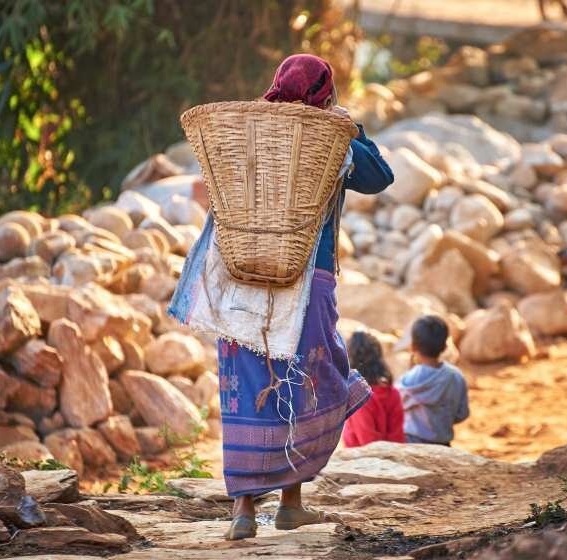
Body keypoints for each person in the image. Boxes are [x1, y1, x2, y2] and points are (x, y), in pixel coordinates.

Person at [170, 53, 393, 541]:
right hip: (306, 279)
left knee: (245, 390)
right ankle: (290, 501)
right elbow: (380, 177)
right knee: (310, 381)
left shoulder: (246, 127)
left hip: (233, 279)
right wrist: (353, 128)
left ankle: (245, 512)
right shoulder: (329, 140)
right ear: (325, 93)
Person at [396, 315, 470, 446]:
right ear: (445, 346)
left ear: (413, 346)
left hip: (410, 444)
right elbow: (462, 414)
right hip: (443, 445)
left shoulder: (406, 381)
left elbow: (396, 411)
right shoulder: (456, 376)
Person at [342, 331, 405, 447]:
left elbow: (369, 445)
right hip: (395, 458)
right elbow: (398, 438)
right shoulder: (393, 393)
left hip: (362, 462)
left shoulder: (359, 398)